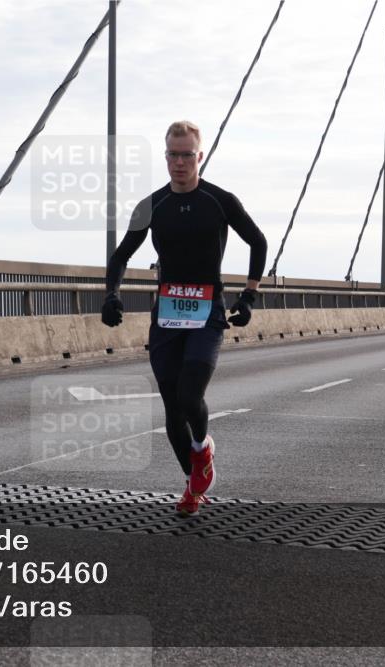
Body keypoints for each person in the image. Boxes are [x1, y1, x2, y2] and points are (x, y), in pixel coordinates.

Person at [102, 120, 267, 516]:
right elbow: (121, 255)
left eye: (187, 155)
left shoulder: (220, 200)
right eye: (173, 155)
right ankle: (192, 485)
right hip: (167, 314)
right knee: (172, 408)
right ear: (166, 157)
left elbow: (257, 241)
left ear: (200, 156)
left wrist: (248, 296)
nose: (179, 162)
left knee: (190, 395)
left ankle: (202, 449)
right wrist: (111, 295)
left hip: (208, 311)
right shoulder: (152, 205)